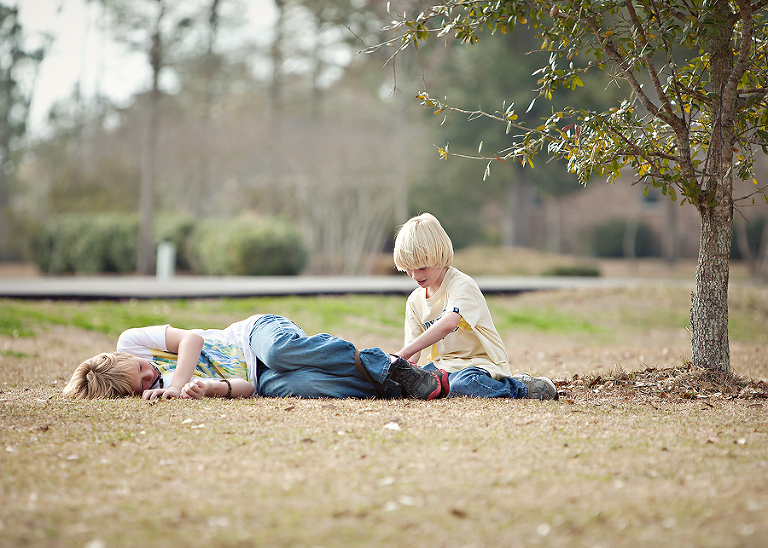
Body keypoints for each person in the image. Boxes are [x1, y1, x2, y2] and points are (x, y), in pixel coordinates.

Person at [63, 314, 448, 401]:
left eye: (141, 369)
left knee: (281, 352)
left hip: (254, 336)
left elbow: (192, 338)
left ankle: (385, 363)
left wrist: (177, 383)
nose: (150, 375)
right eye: (142, 384)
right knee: (301, 384)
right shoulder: (158, 395)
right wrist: (211, 389)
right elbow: (246, 388)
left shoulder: (131, 342)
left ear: (121, 357)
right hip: (258, 379)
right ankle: (399, 385)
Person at [392, 213, 558, 400]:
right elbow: (412, 354)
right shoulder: (414, 301)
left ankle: (521, 387)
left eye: (422, 268)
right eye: (409, 268)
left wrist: (402, 354)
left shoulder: (461, 285)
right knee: (408, 384)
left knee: (463, 384)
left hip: (479, 364)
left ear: (439, 256)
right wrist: (396, 367)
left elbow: (449, 323)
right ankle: (442, 386)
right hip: (443, 367)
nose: (415, 275)